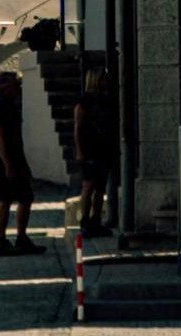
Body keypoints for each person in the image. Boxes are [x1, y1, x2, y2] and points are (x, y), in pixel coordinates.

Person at [0, 67, 36, 254]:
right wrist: (8, 164)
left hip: (12, 159)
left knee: (22, 197)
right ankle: (4, 240)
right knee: (8, 198)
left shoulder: (5, 104)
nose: (19, 88)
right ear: (5, 87)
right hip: (6, 161)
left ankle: (18, 238)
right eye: (16, 85)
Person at [72, 64, 115, 238]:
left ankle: (96, 219)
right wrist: (80, 151)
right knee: (89, 185)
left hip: (104, 147)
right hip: (90, 148)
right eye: (103, 77)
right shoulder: (85, 101)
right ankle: (85, 221)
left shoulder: (106, 99)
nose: (105, 80)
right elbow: (78, 127)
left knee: (100, 187)